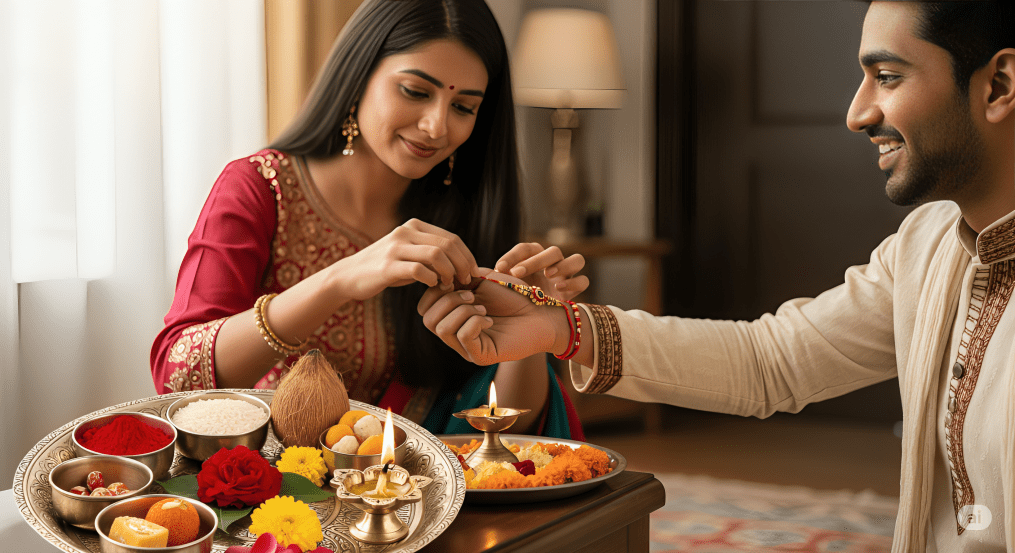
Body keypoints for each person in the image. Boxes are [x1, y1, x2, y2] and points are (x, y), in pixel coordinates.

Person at [419, 1, 1015, 550]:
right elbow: (773, 359)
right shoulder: (927, 243)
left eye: (887, 76)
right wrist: (562, 327)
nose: (858, 113)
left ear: (999, 85)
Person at [150, 0, 590, 439]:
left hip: (423, 490)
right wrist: (340, 279)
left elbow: (515, 434)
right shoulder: (260, 188)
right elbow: (179, 376)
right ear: (357, 76)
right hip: (278, 488)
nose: (437, 126)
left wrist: (535, 334)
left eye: (463, 107)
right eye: (416, 92)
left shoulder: (466, 212)